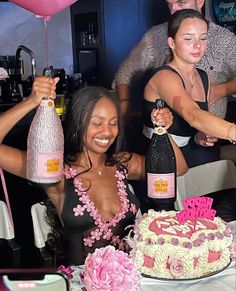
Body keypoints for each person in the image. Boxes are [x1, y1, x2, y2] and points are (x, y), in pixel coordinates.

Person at [0, 77, 187, 265]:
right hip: (80, 283)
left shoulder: (122, 163)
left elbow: (178, 168)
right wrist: (31, 102)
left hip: (132, 278)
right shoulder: (56, 172)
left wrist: (163, 132)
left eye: (113, 123)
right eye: (97, 123)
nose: (107, 132)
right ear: (78, 124)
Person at [113, 0, 236, 151]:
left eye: (180, 2)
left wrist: (222, 90)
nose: (173, 10)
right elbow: (126, 72)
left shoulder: (223, 43)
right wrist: (125, 106)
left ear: (200, 1)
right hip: (165, 146)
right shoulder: (158, 44)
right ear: (171, 42)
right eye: (169, 5)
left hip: (206, 137)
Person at [142, 9, 236, 170]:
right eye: (188, 38)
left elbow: (191, 127)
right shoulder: (164, 76)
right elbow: (194, 116)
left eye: (203, 38)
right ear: (172, 43)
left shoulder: (203, 77)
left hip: (192, 154)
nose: (198, 45)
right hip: (161, 162)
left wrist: (199, 137)